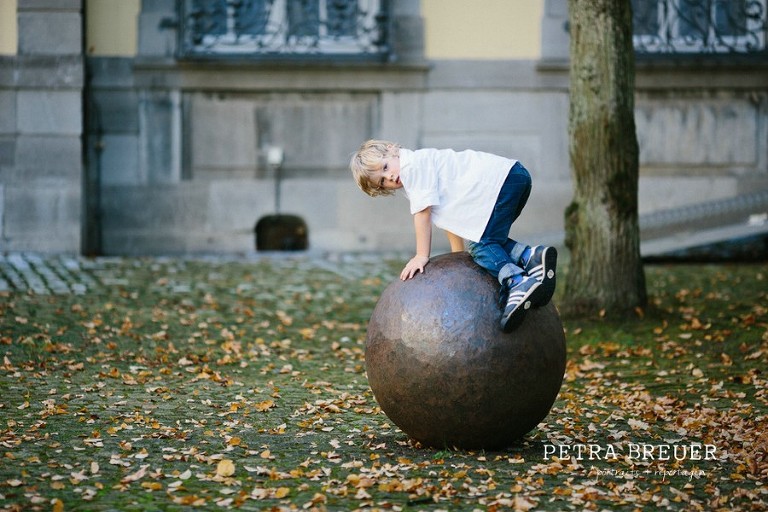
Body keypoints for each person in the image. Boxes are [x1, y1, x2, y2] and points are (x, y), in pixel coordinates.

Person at [349, 140, 557, 332]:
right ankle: (530, 256)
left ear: (391, 150)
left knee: (482, 246)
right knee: (489, 241)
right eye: (382, 181)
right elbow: (453, 219)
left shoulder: (412, 167)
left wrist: (421, 255)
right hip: (514, 177)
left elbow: (422, 214)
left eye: (386, 167)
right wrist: (459, 256)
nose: (389, 177)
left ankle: (516, 281)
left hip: (502, 183)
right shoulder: (422, 166)